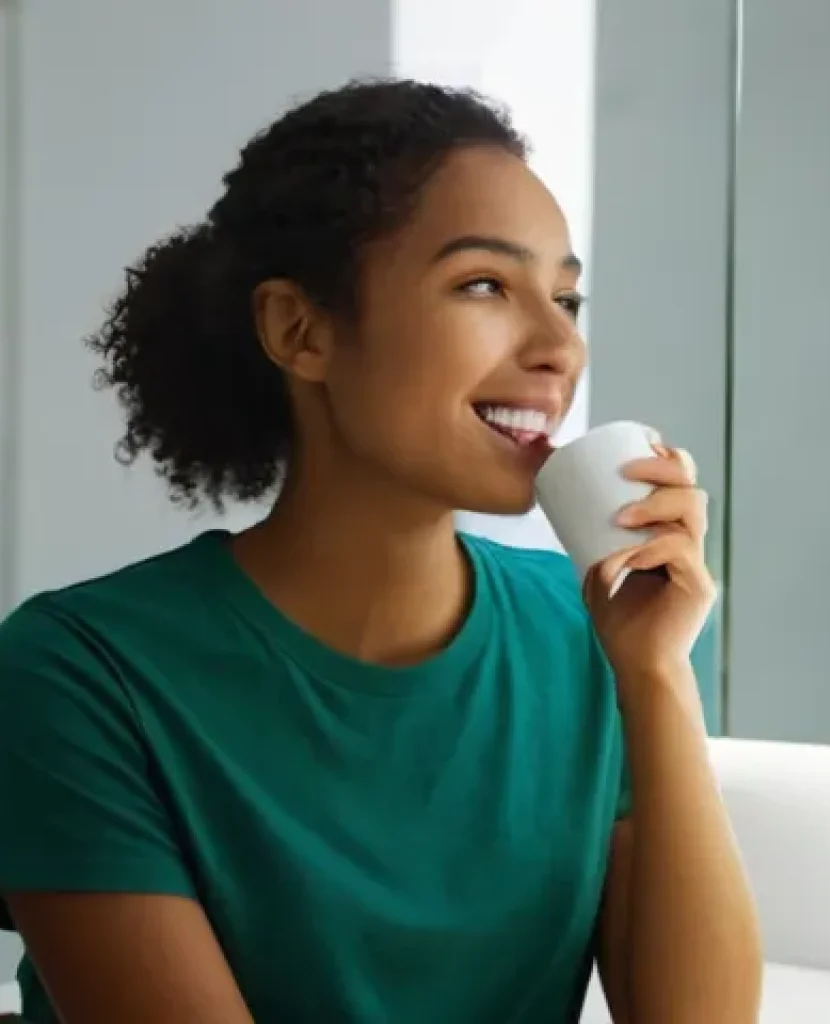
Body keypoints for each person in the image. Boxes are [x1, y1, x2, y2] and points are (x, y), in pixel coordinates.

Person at [0, 79, 761, 1024]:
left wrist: (656, 675)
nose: (561, 346)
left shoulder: (598, 635)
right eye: (484, 285)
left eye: (566, 297)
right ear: (301, 330)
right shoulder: (80, 674)